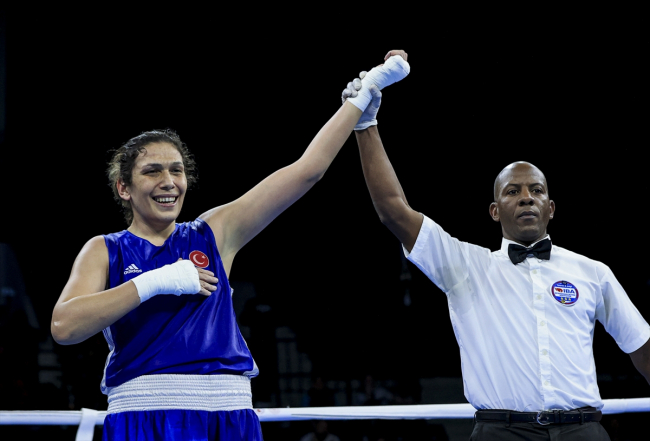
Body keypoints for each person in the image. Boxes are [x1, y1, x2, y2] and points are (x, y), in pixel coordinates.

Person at [50, 52, 410, 441]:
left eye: (176, 170)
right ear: (124, 188)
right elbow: (64, 327)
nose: (169, 181)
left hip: (228, 415)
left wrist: (362, 98)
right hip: (145, 414)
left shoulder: (213, 233)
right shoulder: (105, 250)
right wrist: (155, 281)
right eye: (152, 171)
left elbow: (306, 171)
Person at [342, 49, 650, 440]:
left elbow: (641, 346)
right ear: (494, 210)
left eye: (536, 190)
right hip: (500, 432)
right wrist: (365, 124)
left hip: (582, 430)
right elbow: (393, 211)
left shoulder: (592, 272)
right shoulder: (465, 266)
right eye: (513, 191)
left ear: (551, 207)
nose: (527, 198)